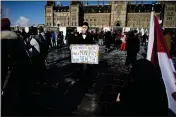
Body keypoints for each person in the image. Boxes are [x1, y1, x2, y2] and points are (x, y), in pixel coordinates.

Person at [1, 18, 33, 115]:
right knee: (21, 93)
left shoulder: (3, 39)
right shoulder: (18, 37)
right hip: (23, 68)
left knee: (9, 97)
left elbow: (3, 61)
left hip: (11, 71)